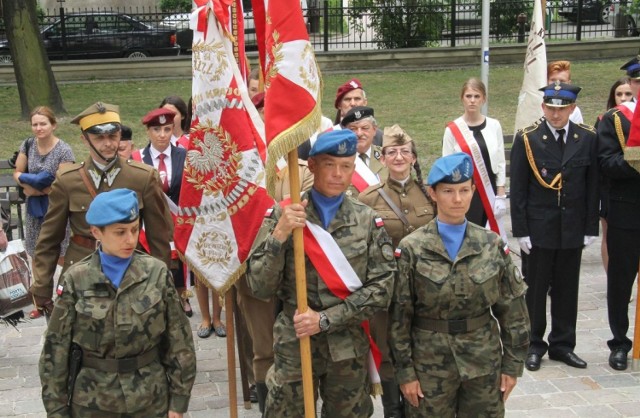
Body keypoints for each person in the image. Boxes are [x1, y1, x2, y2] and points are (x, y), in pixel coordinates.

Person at [246, 129, 396, 417]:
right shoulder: (284, 215)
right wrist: (280, 235)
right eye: (330, 165)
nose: (338, 174)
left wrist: (326, 319)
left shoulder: (366, 220)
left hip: (347, 344)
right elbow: (259, 286)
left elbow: (382, 288)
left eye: (346, 166)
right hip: (295, 339)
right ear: (312, 166)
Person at [388, 152, 529, 417]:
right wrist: (406, 373)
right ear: (433, 193)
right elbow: (399, 318)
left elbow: (513, 311)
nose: (457, 199)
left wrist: (512, 366)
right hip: (429, 365)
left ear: (473, 191)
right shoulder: (412, 249)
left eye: (464, 190)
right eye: (448, 191)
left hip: (483, 362)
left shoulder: (491, 244)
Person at [39, 188, 196, 417]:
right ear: (96, 232)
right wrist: (56, 410)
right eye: (120, 232)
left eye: (134, 229)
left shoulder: (156, 273)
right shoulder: (76, 279)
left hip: (150, 399)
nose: (130, 239)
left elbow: (179, 342)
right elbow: (55, 350)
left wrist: (178, 402)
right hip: (93, 402)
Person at [29, 102, 173, 315]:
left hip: (131, 269)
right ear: (84, 140)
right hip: (81, 269)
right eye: (99, 137)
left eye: (113, 136)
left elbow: (160, 236)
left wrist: (161, 282)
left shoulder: (142, 177)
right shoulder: (68, 181)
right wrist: (42, 286)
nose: (108, 143)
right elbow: (50, 238)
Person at [510, 82, 599, 372]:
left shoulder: (585, 137)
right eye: (551, 108)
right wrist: (520, 230)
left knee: (566, 288)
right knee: (534, 290)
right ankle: (533, 344)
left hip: (571, 226)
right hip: (539, 228)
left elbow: (591, 186)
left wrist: (590, 227)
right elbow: (519, 188)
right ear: (543, 107)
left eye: (562, 109)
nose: (556, 114)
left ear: (572, 109)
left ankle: (563, 344)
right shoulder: (528, 138)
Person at [358, 124, 434, 418]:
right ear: (383, 158)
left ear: (414, 158)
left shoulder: (429, 194)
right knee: (388, 353)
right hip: (386, 293)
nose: (399, 157)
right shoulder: (368, 198)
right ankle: (392, 411)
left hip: (422, 290)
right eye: (392, 152)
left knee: (419, 348)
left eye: (405, 151)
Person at [597, 55, 640, 371]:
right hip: (627, 213)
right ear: (631, 83)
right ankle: (620, 342)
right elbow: (606, 164)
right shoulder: (615, 119)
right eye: (638, 80)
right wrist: (636, 159)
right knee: (621, 280)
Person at [12, 106, 75, 319]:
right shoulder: (28, 144)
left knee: (62, 253)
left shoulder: (64, 150)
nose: (38, 128)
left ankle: (68, 292)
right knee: (37, 253)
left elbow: (62, 183)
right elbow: (17, 172)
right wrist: (29, 182)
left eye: (43, 123)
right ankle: (41, 300)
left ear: (53, 125)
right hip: (33, 210)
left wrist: (33, 187)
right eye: (35, 124)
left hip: (56, 208)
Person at [136, 108, 195, 317]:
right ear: (148, 132)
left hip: (179, 220)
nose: (162, 134)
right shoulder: (137, 159)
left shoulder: (185, 156)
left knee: (178, 264)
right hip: (152, 223)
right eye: (156, 129)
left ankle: (182, 298)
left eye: (167, 129)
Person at [442, 78, 507, 230]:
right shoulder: (452, 129)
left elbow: (500, 161)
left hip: (489, 188)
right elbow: (447, 165)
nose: (472, 100)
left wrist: (501, 192)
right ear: (462, 99)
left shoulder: (494, 125)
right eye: (468, 96)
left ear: (483, 99)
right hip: (463, 189)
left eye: (477, 96)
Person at [595, 76, 633, 273]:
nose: (624, 97)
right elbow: (602, 159)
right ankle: (612, 275)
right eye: (619, 94)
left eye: (628, 93)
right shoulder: (607, 119)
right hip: (611, 188)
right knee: (609, 235)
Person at [341, 106, 387, 197]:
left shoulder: (388, 156)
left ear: (374, 130)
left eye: (365, 128)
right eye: (353, 129)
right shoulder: (337, 161)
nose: (359, 133)